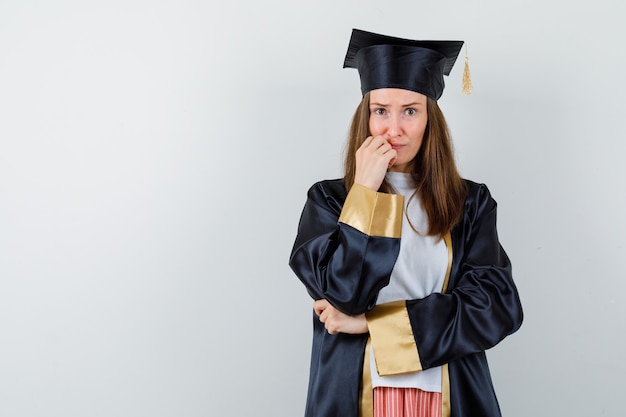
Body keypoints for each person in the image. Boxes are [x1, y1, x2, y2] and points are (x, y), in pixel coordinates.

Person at [289, 28, 523, 417]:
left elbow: (497, 307)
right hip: (354, 389)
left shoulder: (470, 202)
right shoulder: (329, 200)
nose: (392, 129)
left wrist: (372, 324)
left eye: (410, 111)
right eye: (380, 110)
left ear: (431, 119)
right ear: (365, 116)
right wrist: (364, 190)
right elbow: (342, 293)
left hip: (449, 391)